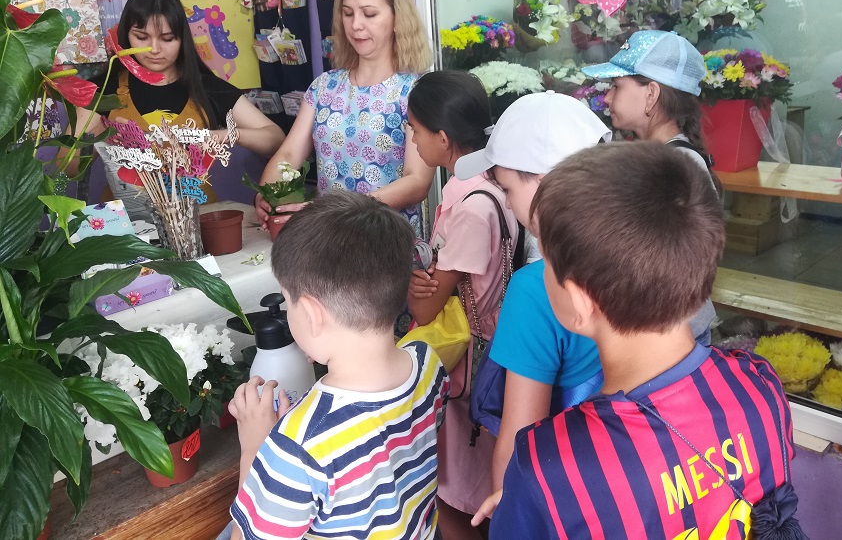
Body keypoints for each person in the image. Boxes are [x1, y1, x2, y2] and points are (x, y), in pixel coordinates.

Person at [484, 142, 798, 538]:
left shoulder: (550, 468)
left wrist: (534, 501)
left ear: (581, 300)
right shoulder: (759, 384)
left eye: (546, 261)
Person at [227, 190, 450, 539]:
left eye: (288, 301)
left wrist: (256, 448)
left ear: (313, 314)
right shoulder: (428, 363)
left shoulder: (298, 444)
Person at [450, 91, 611, 508]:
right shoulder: (639, 258)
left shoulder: (536, 289)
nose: (506, 201)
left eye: (506, 188)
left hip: (566, 494)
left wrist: (506, 514)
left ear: (543, 182)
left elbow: (519, 440)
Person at [405, 71, 518, 540]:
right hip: (489, 346)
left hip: (470, 362)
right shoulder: (495, 186)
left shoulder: (472, 207)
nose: (412, 139)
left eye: (415, 130)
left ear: (443, 138)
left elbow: (426, 309)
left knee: (453, 492)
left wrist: (410, 281)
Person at [255, 0, 434, 234]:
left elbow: (417, 182)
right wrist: (266, 192)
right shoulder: (324, 87)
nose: (356, 25)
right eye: (348, 13)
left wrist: (338, 212)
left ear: (398, 19)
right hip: (330, 241)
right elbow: (289, 154)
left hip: (389, 242)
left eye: (369, 14)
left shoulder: (416, 92)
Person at [72, 0, 285, 205]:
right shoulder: (104, 88)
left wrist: (223, 136)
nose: (154, 49)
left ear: (182, 39)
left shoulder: (206, 87)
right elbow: (68, 168)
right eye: (141, 37)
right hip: (128, 219)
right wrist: (103, 132)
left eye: (167, 38)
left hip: (197, 214)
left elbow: (275, 138)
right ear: (126, 35)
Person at [582, 29, 719, 345]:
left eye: (616, 86)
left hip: (671, 339)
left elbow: (669, 263)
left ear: (651, 94)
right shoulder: (654, 157)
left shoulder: (678, 165)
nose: (607, 98)